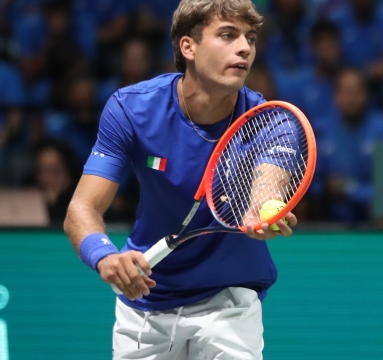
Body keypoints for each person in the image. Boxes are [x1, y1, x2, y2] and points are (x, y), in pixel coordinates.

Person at [63, 1, 297, 359]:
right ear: (188, 47)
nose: (245, 47)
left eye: (250, 37)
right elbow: (82, 207)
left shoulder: (270, 122)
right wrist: (105, 257)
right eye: (227, 35)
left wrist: (265, 213)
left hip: (229, 302)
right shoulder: (132, 109)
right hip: (145, 300)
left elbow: (267, 193)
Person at [315, 68, 383, 222]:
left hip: (373, 213)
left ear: (367, 95)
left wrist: (349, 189)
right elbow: (313, 183)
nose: (351, 99)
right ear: (335, 96)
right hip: (330, 212)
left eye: (357, 92)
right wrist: (326, 187)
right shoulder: (321, 129)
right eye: (345, 92)